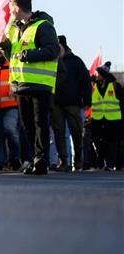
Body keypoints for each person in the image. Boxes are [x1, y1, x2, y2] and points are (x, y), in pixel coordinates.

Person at [0, 0, 60, 175]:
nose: (9, 12)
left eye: (10, 8)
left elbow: (53, 50)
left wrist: (28, 55)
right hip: (21, 85)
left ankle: (41, 160)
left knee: (40, 122)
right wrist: (5, 48)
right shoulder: (14, 29)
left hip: (40, 84)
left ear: (17, 8)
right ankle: (35, 159)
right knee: (27, 125)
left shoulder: (43, 26)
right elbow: (12, 58)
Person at [51, 35, 92, 171]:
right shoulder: (51, 61)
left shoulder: (76, 61)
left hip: (74, 104)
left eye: (59, 46)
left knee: (76, 132)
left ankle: (78, 160)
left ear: (64, 46)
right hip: (56, 104)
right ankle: (63, 162)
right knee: (59, 132)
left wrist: (87, 101)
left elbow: (86, 82)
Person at [90, 62, 123, 171]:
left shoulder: (115, 85)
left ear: (103, 75)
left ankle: (110, 164)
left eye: (97, 73)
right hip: (97, 119)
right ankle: (100, 163)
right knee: (98, 142)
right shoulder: (92, 85)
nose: (95, 75)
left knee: (112, 143)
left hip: (113, 120)